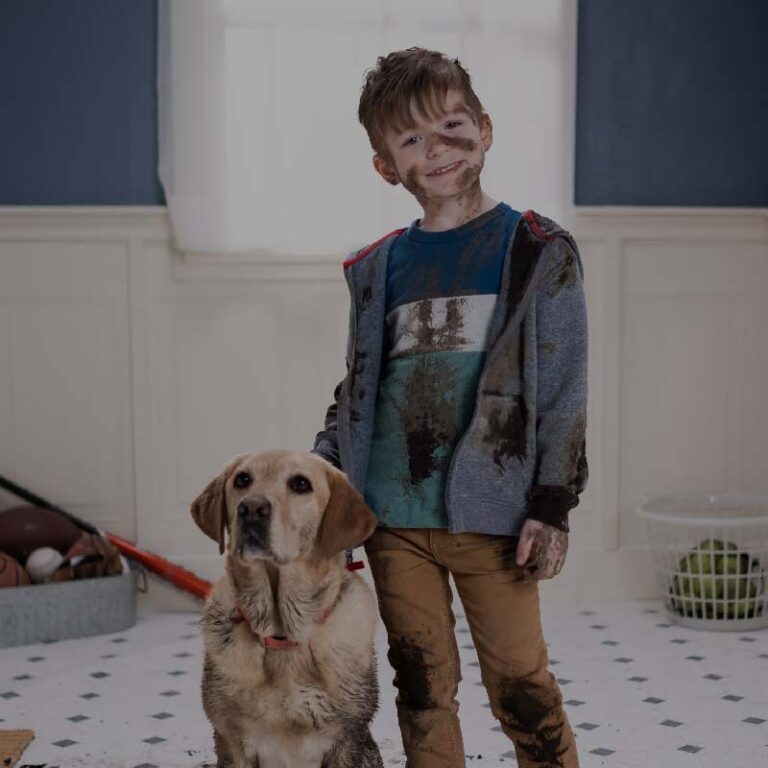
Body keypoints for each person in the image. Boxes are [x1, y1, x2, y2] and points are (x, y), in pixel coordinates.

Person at [311, 47, 588, 768]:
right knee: (420, 685)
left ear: (486, 129)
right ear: (385, 166)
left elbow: (561, 388)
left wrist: (553, 504)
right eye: (411, 139)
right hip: (392, 518)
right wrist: (324, 470)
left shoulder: (535, 249)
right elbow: (362, 387)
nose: (436, 149)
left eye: (452, 125)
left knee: (520, 684)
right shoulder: (376, 267)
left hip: (493, 515)